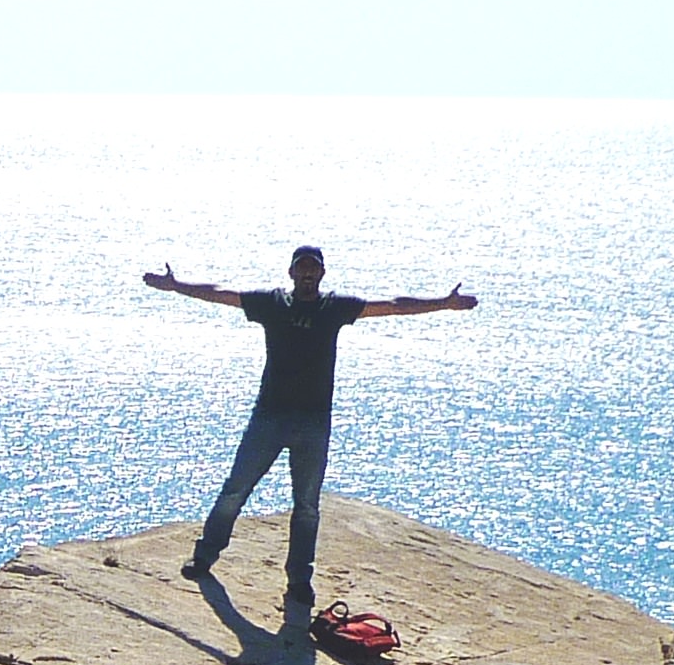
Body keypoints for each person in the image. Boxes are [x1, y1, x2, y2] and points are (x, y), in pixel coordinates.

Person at [144, 248, 476, 617]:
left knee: (307, 508)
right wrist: (176, 287)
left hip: (313, 423)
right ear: (290, 272)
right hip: (269, 417)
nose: (306, 275)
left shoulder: (333, 309)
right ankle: (204, 557)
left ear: (321, 274)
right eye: (301, 269)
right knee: (236, 489)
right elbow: (222, 293)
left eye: (312, 270)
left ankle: (299, 581)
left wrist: (444, 304)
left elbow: (393, 305)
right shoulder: (272, 304)